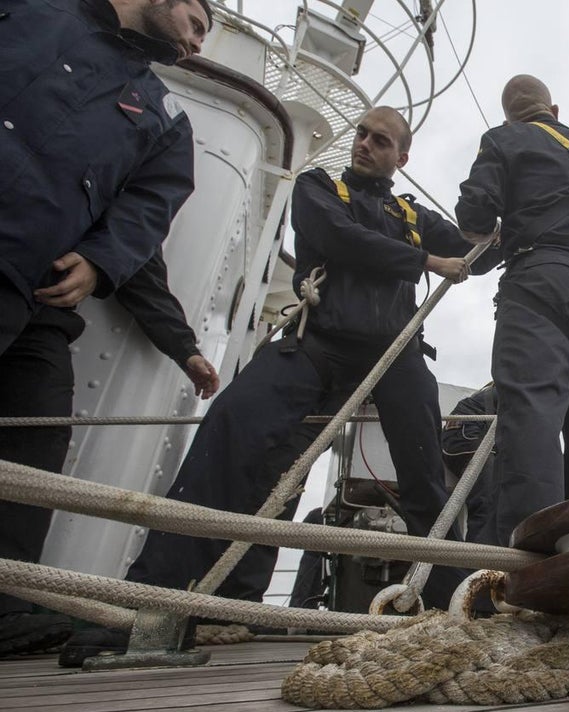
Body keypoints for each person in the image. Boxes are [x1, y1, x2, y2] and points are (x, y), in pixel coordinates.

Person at [61, 106, 473, 665]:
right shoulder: (319, 187)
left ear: (401, 157)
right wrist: (426, 259)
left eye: (380, 141)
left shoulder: (413, 214)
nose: (364, 144)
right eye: (362, 134)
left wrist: (497, 199)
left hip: (395, 351)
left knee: (425, 479)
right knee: (233, 431)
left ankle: (461, 614)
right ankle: (156, 603)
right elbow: (338, 237)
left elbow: (476, 247)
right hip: (318, 340)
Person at [0, 0, 212, 657]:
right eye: (198, 22)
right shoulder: (33, 11)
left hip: (32, 289)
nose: (199, 43)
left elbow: (147, 210)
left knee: (37, 428)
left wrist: (100, 260)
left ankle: (6, 600)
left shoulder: (162, 117)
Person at [455, 75, 569, 546]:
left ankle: (529, 554)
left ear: (509, 117)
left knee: (533, 412)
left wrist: (500, 227)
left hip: (539, 284)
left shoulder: (504, 139)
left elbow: (473, 217)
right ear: (553, 110)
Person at [441, 383, 498, 545]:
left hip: (471, 431)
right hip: (467, 432)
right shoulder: (523, 390)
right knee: (487, 500)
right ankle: (478, 555)